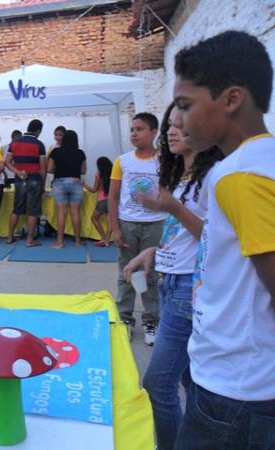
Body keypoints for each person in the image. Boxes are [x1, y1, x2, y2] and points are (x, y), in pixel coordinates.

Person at [169, 31, 275, 450]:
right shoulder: (257, 164)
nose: (177, 120)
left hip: (235, 392)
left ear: (231, 100)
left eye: (185, 105)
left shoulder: (240, 175)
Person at [123, 102, 223, 450]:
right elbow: (180, 236)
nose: (172, 131)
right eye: (169, 125)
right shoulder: (181, 175)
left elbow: (218, 238)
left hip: (187, 290)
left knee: (158, 383)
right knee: (187, 378)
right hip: (171, 281)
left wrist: (173, 208)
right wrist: (153, 253)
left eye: (181, 124)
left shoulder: (215, 175)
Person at [108, 112, 164, 345]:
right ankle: (124, 320)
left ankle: (151, 320)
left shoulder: (164, 161)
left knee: (151, 274)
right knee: (127, 273)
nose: (134, 133)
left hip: (156, 224)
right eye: (132, 129)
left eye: (140, 129)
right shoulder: (122, 161)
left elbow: (171, 194)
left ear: (153, 132)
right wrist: (116, 229)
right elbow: (113, 196)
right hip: (128, 223)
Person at [5, 119, 47, 246]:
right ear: (38, 130)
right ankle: (30, 240)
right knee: (33, 211)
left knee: (16, 210)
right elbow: (43, 168)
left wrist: (18, 172)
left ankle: (10, 237)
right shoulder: (39, 144)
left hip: (19, 180)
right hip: (34, 179)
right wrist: (43, 185)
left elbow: (7, 162)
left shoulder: (14, 143)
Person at [47, 129, 87, 248]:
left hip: (59, 182)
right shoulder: (81, 153)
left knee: (61, 213)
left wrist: (58, 169)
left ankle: (59, 242)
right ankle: (78, 241)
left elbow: (49, 169)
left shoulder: (55, 151)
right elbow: (84, 171)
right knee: (75, 213)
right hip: (76, 182)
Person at [84, 156, 113, 246]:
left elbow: (94, 190)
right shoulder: (113, 173)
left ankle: (103, 238)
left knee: (94, 218)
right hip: (112, 200)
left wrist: (84, 185)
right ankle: (107, 240)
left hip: (102, 200)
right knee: (110, 220)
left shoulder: (99, 174)